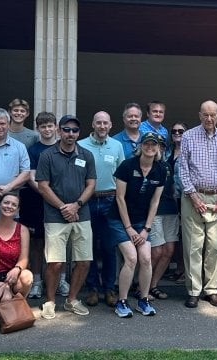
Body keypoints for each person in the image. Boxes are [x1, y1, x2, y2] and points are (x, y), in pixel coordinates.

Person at [36, 115, 96, 319]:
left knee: (84, 261)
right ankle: (50, 301)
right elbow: (43, 186)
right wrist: (64, 207)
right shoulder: (47, 155)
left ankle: (71, 300)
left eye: (75, 130)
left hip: (82, 214)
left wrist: (77, 205)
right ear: (59, 131)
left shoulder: (86, 155)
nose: (71, 134)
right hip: (55, 216)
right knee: (55, 262)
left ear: (79, 133)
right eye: (67, 129)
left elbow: (91, 184)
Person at [179, 100, 217, 309]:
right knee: (193, 245)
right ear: (200, 115)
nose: (209, 119)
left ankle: (211, 290)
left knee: (214, 246)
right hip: (193, 197)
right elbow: (183, 169)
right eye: (205, 115)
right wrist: (193, 196)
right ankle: (194, 290)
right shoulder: (188, 137)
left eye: (213, 115)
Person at [109, 132, 166, 318]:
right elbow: (119, 198)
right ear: (140, 146)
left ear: (158, 148)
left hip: (142, 221)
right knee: (131, 258)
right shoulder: (127, 165)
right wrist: (129, 228)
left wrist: (146, 229)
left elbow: (155, 202)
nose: (150, 147)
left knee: (146, 258)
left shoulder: (160, 169)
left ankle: (143, 300)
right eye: (147, 144)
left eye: (154, 144)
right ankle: (122, 301)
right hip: (119, 220)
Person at [78, 111, 125, 307]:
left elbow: (122, 175)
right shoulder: (80, 145)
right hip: (88, 201)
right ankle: (92, 288)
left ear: (111, 125)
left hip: (110, 201)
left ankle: (109, 288)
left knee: (108, 247)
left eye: (106, 123)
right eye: (99, 123)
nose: (102, 126)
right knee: (87, 248)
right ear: (93, 124)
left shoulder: (117, 146)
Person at [21, 112, 59, 299]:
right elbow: (31, 177)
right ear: (38, 129)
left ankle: (60, 280)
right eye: (43, 126)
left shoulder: (63, 147)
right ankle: (36, 281)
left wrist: (56, 198)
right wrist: (47, 193)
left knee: (59, 243)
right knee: (37, 243)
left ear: (56, 127)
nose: (47, 129)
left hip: (59, 204)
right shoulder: (33, 150)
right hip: (36, 201)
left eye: (50, 126)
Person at [149, 127, 184, 300]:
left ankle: (153, 285)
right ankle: (143, 285)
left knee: (169, 251)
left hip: (171, 210)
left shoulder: (167, 165)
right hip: (154, 212)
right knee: (156, 251)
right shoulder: (145, 165)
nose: (159, 149)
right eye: (155, 146)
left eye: (162, 146)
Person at [0, 193, 33, 299]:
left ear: (18, 210)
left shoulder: (22, 229)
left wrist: (17, 269)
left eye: (14, 205)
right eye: (6, 202)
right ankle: (2, 304)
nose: (9, 206)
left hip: (14, 273)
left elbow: (24, 258)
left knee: (27, 276)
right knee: (6, 298)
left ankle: (18, 306)